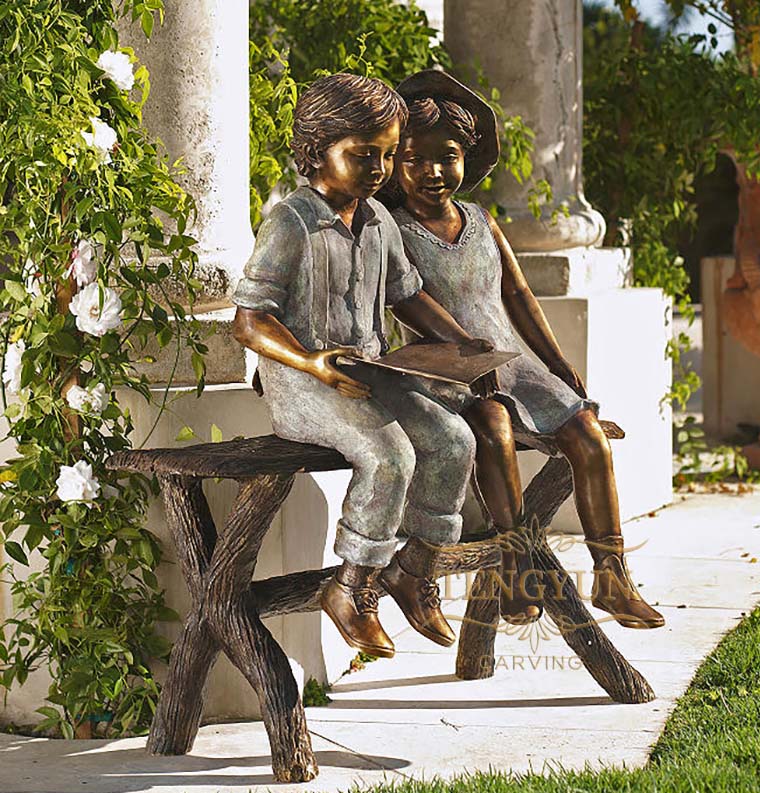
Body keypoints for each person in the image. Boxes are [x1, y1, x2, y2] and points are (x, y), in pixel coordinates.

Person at [385, 69, 664, 629]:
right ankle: (516, 567)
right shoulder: (390, 228)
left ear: (467, 158)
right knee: (493, 428)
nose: (434, 172)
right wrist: (466, 353)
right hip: (447, 373)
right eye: (415, 159)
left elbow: (517, 295)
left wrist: (557, 365)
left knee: (586, 431)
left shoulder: (483, 222)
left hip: (514, 361)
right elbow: (406, 303)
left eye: (449, 156)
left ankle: (612, 576)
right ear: (394, 163)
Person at [232, 73, 493, 659]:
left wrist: (462, 342)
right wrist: (312, 361)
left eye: (386, 155)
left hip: (371, 371)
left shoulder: (377, 220)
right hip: (302, 382)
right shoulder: (291, 222)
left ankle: (413, 570)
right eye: (361, 154)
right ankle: (352, 587)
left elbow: (406, 295)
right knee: (391, 454)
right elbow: (248, 321)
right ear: (317, 148)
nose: (377, 168)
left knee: (453, 440)